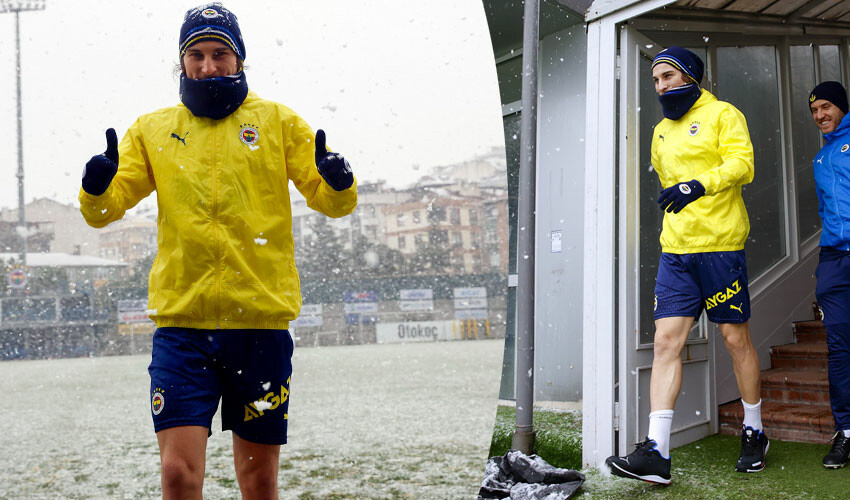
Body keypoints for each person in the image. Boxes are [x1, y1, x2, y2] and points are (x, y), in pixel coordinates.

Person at [78, 3, 357, 498]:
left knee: (258, 479)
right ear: (182, 62)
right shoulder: (153, 129)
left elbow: (329, 200)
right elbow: (105, 210)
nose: (208, 66)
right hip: (182, 330)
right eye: (197, 55)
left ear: (240, 59)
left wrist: (338, 182)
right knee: (177, 474)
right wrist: (97, 189)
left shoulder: (276, 122)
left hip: (260, 329)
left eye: (220, 53)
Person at [605, 47, 765, 484]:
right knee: (664, 344)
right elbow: (663, 177)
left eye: (668, 77)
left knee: (735, 340)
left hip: (719, 247)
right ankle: (656, 451)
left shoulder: (723, 114)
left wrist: (700, 183)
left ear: (690, 76)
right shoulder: (659, 131)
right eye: (655, 80)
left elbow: (743, 165)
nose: (661, 87)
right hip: (676, 251)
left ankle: (755, 430)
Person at [807, 81, 850, 469]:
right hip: (834, 261)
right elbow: (826, 211)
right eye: (815, 110)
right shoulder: (820, 159)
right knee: (839, 348)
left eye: (826, 107)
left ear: (840, 106)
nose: (820, 115)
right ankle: (846, 432)